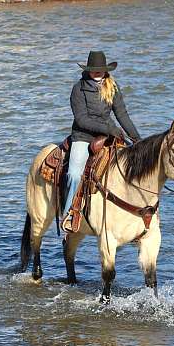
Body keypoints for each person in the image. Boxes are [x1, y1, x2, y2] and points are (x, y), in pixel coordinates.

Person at [61, 50, 141, 230]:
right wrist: (109, 129)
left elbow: (122, 114)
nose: (97, 72)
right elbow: (82, 119)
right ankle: (68, 214)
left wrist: (136, 139)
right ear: (88, 69)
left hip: (109, 135)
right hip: (83, 136)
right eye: (94, 69)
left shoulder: (112, 87)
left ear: (105, 70)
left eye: (100, 69)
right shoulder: (78, 88)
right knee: (74, 173)